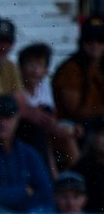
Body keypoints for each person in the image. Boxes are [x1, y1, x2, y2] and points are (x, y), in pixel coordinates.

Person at [0, 95, 54, 214]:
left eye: (7, 117)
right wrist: (24, 191)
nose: (2, 123)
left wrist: (7, 194)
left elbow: (46, 192)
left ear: (17, 119)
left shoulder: (29, 154)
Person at [17, 41, 80, 174]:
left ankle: (80, 179)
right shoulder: (16, 88)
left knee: (69, 138)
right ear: (21, 67)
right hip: (25, 135)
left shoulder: (44, 85)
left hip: (46, 130)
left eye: (39, 65)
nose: (34, 70)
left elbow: (51, 116)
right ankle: (53, 181)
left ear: (46, 70)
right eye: (30, 64)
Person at [52, 15, 104, 135]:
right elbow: (75, 111)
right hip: (75, 125)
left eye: (100, 40)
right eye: (89, 40)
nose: (95, 45)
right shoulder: (70, 69)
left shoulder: (101, 67)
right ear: (82, 42)